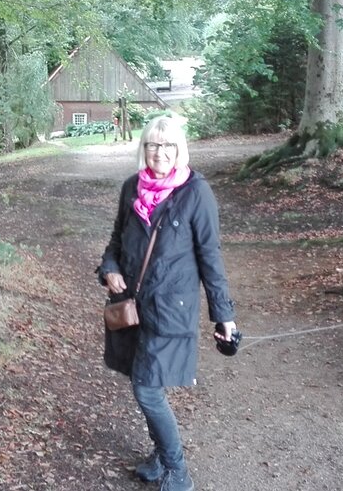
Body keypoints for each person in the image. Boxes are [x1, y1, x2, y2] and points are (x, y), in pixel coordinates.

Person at [97, 114, 237, 491]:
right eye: (153, 144)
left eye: (168, 145)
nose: (160, 152)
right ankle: (161, 456)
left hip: (170, 309)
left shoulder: (196, 193)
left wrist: (224, 316)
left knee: (146, 389)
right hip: (132, 304)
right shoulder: (131, 188)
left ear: (180, 149)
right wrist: (109, 269)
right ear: (144, 148)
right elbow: (116, 240)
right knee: (144, 383)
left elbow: (211, 257)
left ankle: (178, 470)